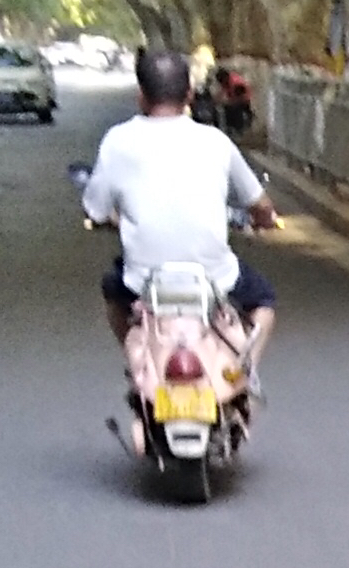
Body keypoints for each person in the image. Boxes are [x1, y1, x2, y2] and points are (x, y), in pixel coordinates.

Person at [80, 43, 280, 379]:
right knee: (264, 302)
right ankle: (244, 370)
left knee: (112, 292)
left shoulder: (117, 141)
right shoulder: (215, 141)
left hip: (144, 283)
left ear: (140, 95)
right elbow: (259, 204)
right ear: (189, 94)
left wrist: (113, 220)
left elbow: (96, 211)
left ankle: (139, 365)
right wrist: (265, 219)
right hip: (216, 280)